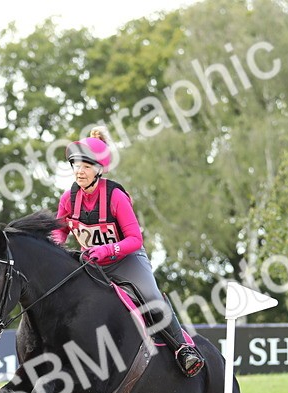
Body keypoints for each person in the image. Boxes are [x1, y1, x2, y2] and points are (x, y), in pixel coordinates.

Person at [52, 128, 205, 378]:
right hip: (92, 265)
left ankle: (184, 349)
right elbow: (60, 232)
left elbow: (135, 239)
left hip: (126, 261)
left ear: (99, 169)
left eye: (86, 166)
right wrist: (54, 248)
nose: (79, 171)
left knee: (151, 296)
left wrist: (105, 250)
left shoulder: (115, 196)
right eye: (76, 165)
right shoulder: (68, 199)